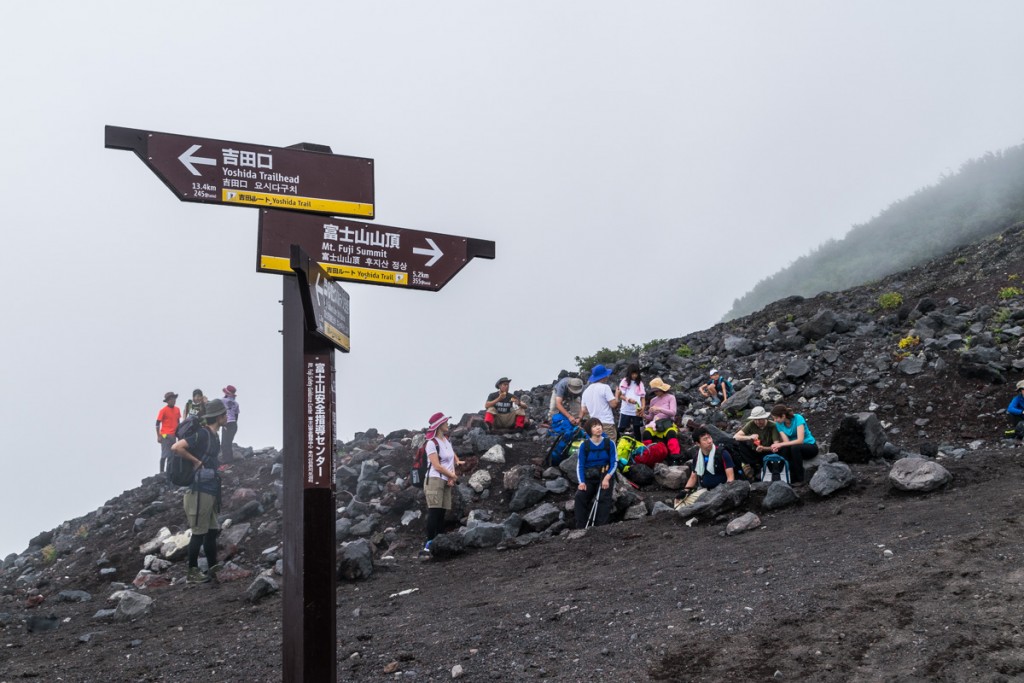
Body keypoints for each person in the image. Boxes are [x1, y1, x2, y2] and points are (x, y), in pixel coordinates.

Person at [171, 398, 228, 584]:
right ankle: (192, 571)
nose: (227, 416)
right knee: (198, 532)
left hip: (209, 489)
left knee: (211, 531)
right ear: (219, 417)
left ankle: (212, 567)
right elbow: (176, 447)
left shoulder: (215, 436)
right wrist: (196, 462)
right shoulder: (203, 434)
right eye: (225, 414)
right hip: (198, 490)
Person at [422, 412, 464, 555]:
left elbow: (450, 460)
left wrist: (451, 478)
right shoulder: (431, 443)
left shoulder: (446, 441)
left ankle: (440, 543)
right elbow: (436, 465)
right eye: (445, 422)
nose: (448, 424)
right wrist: (452, 475)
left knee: (442, 512)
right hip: (434, 480)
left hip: (446, 480)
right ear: (439, 426)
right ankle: (429, 544)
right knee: (434, 512)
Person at [676, 426, 736, 507]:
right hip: (705, 490)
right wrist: (685, 491)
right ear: (697, 443)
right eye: (705, 439)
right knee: (679, 502)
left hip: (722, 491)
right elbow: (693, 477)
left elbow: (730, 478)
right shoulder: (697, 457)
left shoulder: (722, 453)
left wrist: (724, 495)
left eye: (709, 437)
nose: (709, 441)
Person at [574, 418, 617, 529]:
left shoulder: (609, 443)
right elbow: (580, 465)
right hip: (589, 477)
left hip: (604, 474)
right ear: (589, 430)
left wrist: (607, 478)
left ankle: (601, 527)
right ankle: (581, 527)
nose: (598, 428)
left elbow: (614, 462)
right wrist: (582, 482)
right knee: (580, 496)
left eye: (599, 425)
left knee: (604, 497)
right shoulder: (584, 445)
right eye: (594, 426)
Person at [769, 404, 819, 483]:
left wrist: (780, 444)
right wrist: (778, 447)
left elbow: (800, 440)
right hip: (795, 450)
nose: (775, 420)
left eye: (776, 418)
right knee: (784, 450)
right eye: (773, 418)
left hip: (810, 446)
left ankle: (800, 479)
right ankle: (784, 477)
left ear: (783, 415)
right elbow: (787, 442)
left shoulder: (798, 418)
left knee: (795, 448)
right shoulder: (779, 425)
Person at [732, 406, 783, 478]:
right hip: (755, 451)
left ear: (765, 418)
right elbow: (736, 437)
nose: (757, 422)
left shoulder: (772, 426)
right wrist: (749, 437)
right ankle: (751, 465)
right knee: (739, 443)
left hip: (768, 451)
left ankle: (759, 467)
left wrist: (764, 448)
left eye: (760, 419)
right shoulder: (751, 424)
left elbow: (776, 446)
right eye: (755, 419)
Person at [547, 375, 585, 462]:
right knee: (553, 410)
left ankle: (577, 430)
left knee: (576, 411)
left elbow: (584, 405)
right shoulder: (562, 385)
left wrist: (579, 418)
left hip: (574, 397)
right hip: (559, 393)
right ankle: (553, 427)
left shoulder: (582, 388)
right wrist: (569, 416)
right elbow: (558, 404)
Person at [642, 377, 680, 459]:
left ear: (662, 389)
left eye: (657, 390)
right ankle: (647, 454)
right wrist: (643, 415)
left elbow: (673, 412)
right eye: (654, 391)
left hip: (667, 422)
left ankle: (675, 456)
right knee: (646, 434)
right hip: (655, 424)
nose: (656, 392)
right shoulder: (653, 400)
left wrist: (659, 409)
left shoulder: (671, 397)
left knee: (671, 434)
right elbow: (650, 417)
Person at [581, 364, 620, 440]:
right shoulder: (605, 387)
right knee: (609, 447)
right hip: (606, 423)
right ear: (604, 376)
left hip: (593, 425)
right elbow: (614, 404)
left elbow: (584, 410)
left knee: (597, 447)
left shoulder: (586, 391)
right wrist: (617, 395)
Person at [615, 363, 646, 441]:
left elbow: (642, 397)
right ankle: (615, 444)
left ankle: (639, 447)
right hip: (626, 410)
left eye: (636, 373)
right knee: (621, 428)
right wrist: (628, 399)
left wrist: (643, 407)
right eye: (633, 373)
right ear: (629, 373)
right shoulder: (624, 381)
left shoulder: (640, 383)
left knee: (637, 429)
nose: (634, 375)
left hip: (637, 410)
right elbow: (620, 395)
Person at [155, 391, 180, 474]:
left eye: (174, 398)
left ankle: (169, 471)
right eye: (171, 399)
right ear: (168, 400)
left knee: (172, 454)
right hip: (165, 434)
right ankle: (161, 472)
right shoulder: (163, 411)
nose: (173, 400)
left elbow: (178, 421)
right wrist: (158, 436)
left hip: (174, 435)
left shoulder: (177, 410)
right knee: (165, 453)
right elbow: (157, 423)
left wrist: (179, 433)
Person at [221, 385, 239, 463]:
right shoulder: (236, 403)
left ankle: (226, 462)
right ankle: (229, 461)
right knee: (228, 443)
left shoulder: (222, 400)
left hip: (226, 423)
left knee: (224, 444)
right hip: (233, 424)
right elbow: (236, 416)